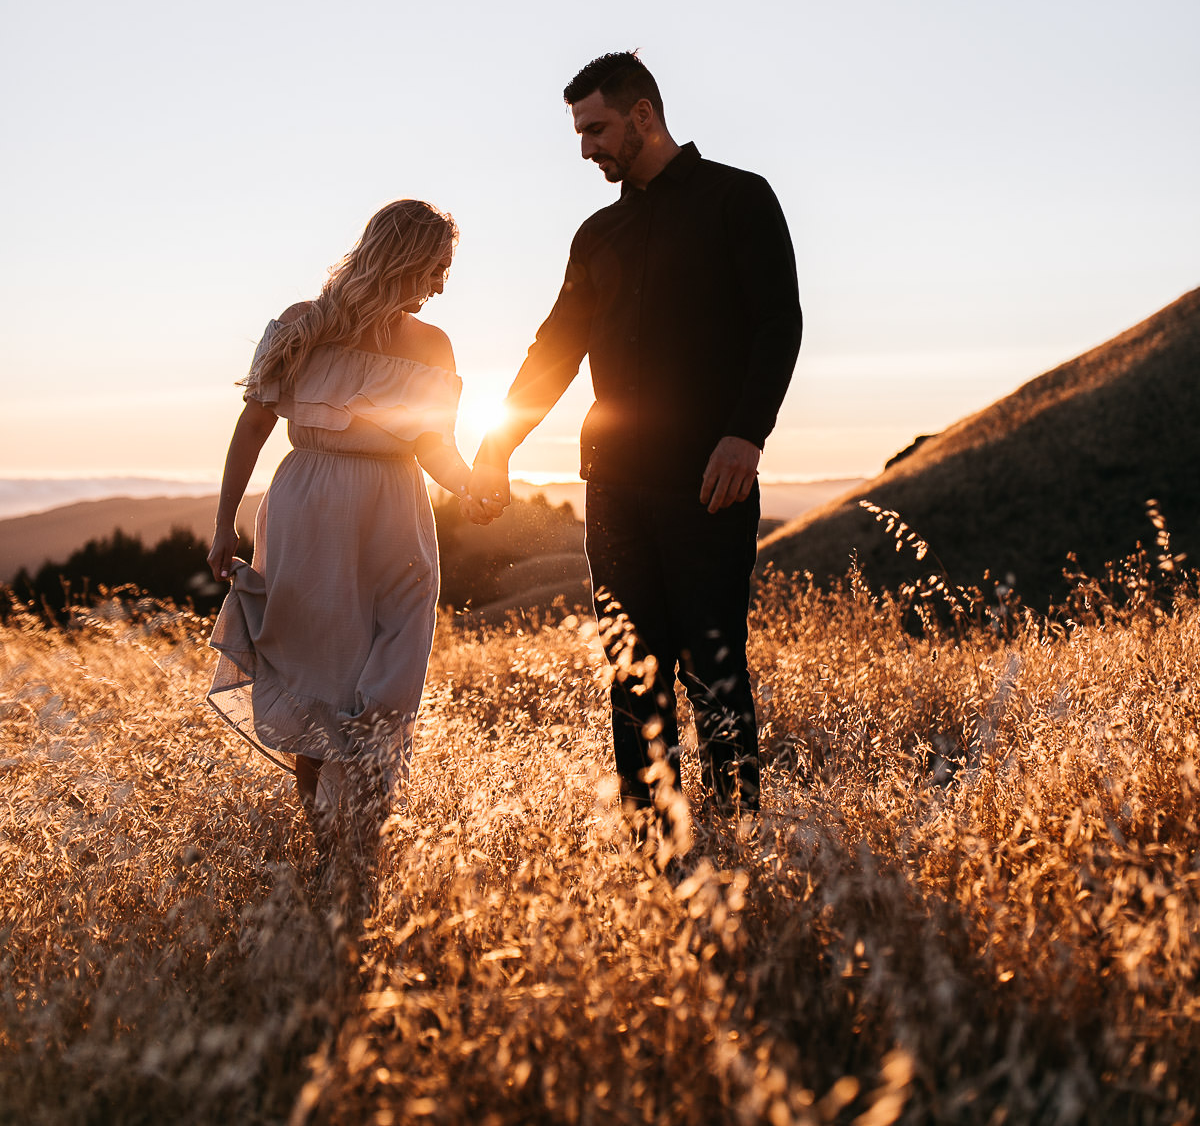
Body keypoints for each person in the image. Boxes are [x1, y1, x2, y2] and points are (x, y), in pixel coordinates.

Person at [470, 52, 802, 831]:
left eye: (596, 129)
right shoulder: (598, 235)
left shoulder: (739, 199)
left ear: (643, 115)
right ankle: (653, 844)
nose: (587, 148)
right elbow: (556, 347)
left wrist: (745, 435)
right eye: (580, 133)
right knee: (631, 669)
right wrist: (497, 445)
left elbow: (778, 324)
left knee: (713, 665)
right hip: (614, 484)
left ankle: (736, 836)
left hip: (709, 480)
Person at [206, 198, 486, 847]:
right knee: (318, 679)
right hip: (310, 513)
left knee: (393, 674)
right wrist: (224, 523)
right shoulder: (303, 325)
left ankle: (364, 843)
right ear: (403, 260)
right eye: (436, 269)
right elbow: (253, 425)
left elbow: (434, 446)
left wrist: (471, 487)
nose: (442, 286)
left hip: (398, 516)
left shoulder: (434, 345)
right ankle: (329, 849)